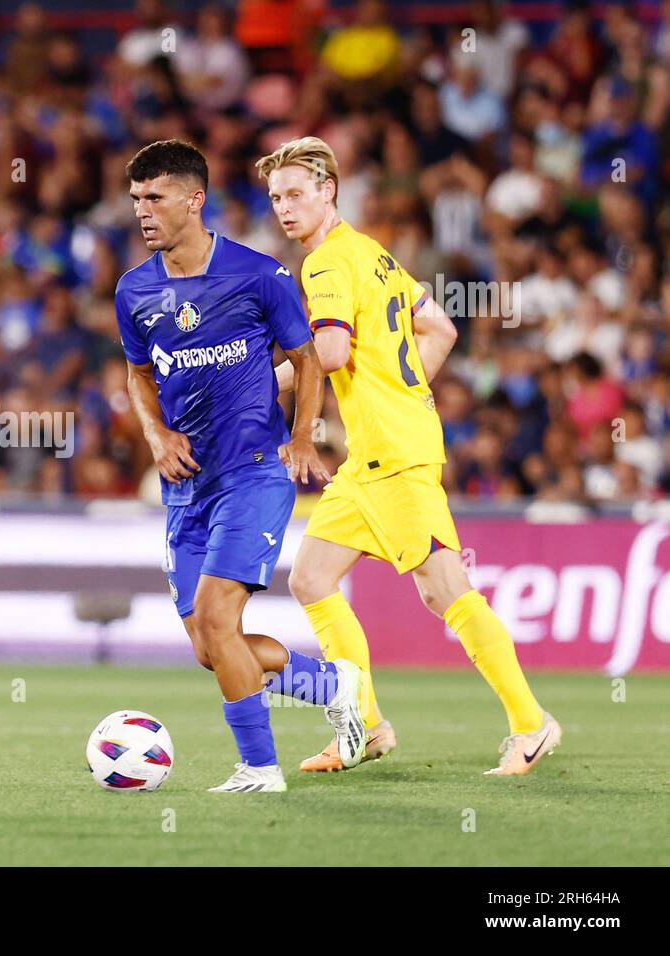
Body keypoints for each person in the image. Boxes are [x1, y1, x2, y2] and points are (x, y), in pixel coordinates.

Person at [260, 136, 560, 776]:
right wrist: (402, 393)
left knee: (445, 590)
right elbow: (442, 330)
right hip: (373, 457)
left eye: (295, 194)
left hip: (393, 457)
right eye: (275, 198)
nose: (284, 209)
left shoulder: (323, 265)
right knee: (310, 578)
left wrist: (265, 377)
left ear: (328, 192)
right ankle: (363, 725)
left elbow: (332, 355)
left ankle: (531, 724)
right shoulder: (375, 255)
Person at [116, 139, 365, 794]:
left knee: (220, 622)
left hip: (252, 474)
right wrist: (156, 435)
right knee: (210, 648)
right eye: (136, 198)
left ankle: (259, 768)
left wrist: (305, 438)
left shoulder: (258, 275)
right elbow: (138, 373)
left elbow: (308, 358)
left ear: (194, 201)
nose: (143, 211)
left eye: (156, 197)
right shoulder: (134, 290)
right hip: (185, 486)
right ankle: (334, 685)